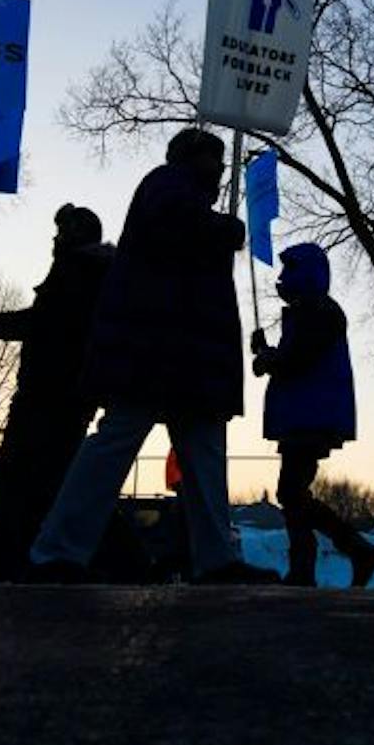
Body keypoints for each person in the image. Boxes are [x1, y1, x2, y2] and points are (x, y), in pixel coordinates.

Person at [27, 127, 278, 585]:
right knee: (119, 444)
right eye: (214, 159)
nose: (221, 169)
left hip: (181, 356)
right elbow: (176, 226)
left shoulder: (179, 194)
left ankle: (215, 558)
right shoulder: (166, 184)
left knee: (200, 455)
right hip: (156, 351)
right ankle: (56, 551)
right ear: (192, 158)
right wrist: (225, 228)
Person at [0, 204, 114, 582]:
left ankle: (15, 550)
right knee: (42, 472)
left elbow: (43, 324)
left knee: (25, 470)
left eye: (62, 231)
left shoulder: (78, 271)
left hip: (52, 390)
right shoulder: (88, 272)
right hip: (64, 390)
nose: (55, 238)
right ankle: (24, 547)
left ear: (76, 234)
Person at [251, 243, 374, 588]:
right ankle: (346, 553)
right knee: (293, 491)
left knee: (291, 491)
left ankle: (320, 563)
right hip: (305, 414)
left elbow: (298, 359)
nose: (282, 278)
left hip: (309, 416)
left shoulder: (317, 311)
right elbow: (294, 357)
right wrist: (268, 354)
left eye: (289, 270)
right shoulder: (311, 311)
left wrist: (269, 358)